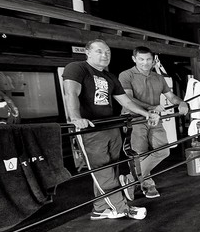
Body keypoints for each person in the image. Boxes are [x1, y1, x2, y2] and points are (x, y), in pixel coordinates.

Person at [62, 39, 161, 220]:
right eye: (99, 51)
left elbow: (126, 101)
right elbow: (71, 93)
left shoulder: (110, 77)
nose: (104, 55)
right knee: (102, 169)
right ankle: (121, 207)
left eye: (107, 52)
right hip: (91, 129)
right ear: (87, 52)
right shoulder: (77, 68)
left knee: (113, 167)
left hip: (111, 125)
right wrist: (76, 118)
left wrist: (146, 113)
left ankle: (100, 208)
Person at [118, 46, 189, 199]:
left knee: (164, 149)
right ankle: (148, 184)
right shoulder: (126, 75)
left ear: (153, 60)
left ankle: (131, 180)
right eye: (141, 59)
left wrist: (181, 103)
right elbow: (128, 99)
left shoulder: (158, 77)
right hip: (134, 119)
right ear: (134, 59)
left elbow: (171, 97)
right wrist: (151, 107)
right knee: (141, 154)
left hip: (154, 118)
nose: (145, 62)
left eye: (148, 59)